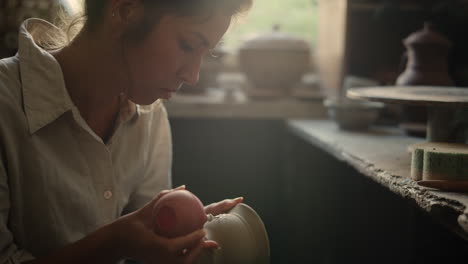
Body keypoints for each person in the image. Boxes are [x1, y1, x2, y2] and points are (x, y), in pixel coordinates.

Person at [0, 0, 252, 263]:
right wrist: (114, 243)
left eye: (206, 52)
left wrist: (177, 232)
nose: (192, 76)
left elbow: (147, 241)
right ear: (125, 11)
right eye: (188, 45)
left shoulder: (149, 118)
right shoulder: (7, 105)